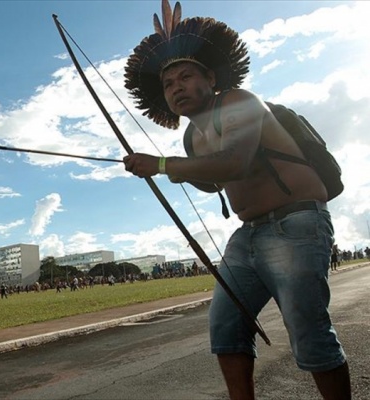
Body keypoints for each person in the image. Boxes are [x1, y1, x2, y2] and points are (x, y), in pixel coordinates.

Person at [122, 1, 350, 399]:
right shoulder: (191, 137)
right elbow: (214, 183)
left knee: (308, 330)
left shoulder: (239, 101)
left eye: (185, 76)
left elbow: (236, 163)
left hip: (296, 222)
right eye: (168, 83)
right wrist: (177, 169)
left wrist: (160, 164)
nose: (176, 86)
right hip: (247, 235)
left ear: (209, 77)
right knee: (226, 325)